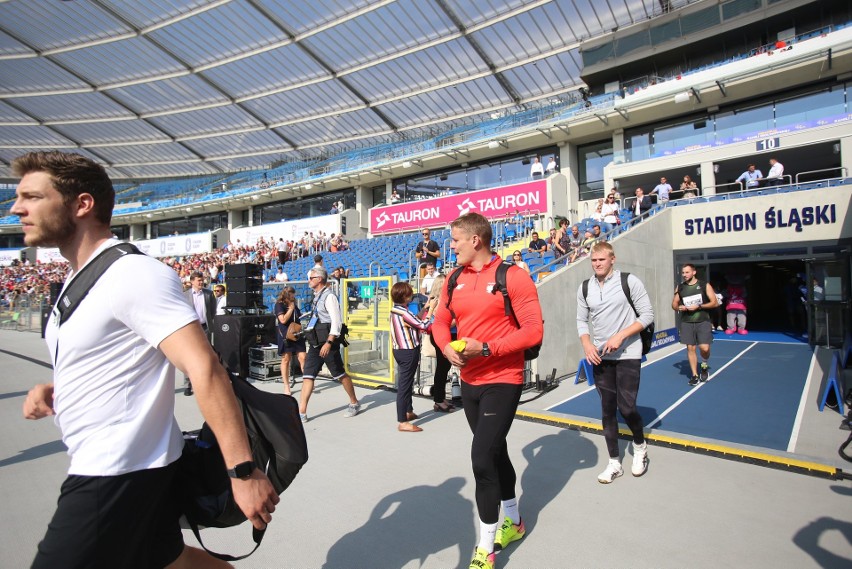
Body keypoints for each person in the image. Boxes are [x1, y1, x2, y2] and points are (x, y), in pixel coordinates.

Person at [13, 151, 277, 569]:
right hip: (122, 464)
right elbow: (109, 358)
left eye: (31, 196)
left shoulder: (133, 274)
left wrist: (243, 474)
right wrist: (59, 388)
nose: (16, 208)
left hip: (116, 471)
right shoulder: (75, 279)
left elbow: (204, 368)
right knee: (172, 562)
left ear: (82, 204)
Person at [432, 212, 543, 569]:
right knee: (496, 453)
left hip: (503, 379)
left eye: (455, 241)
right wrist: (446, 347)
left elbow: (532, 332)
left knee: (481, 458)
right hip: (469, 383)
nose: (451, 247)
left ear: (475, 240)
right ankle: (515, 521)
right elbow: (439, 322)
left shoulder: (513, 276)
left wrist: (488, 349)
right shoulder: (453, 278)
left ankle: (485, 548)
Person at [577, 241, 653, 484]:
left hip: (628, 353)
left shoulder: (629, 281)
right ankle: (614, 463)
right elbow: (581, 321)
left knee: (627, 408)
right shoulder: (585, 287)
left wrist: (621, 335)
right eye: (593, 260)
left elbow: (647, 315)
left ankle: (640, 447)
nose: (597, 264)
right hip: (600, 356)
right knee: (607, 410)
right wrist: (587, 344)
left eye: (601, 259)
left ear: (612, 259)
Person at [299, 266, 360, 422]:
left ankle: (354, 402)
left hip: (328, 344)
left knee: (340, 374)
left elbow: (336, 322)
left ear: (319, 279)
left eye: (311, 278)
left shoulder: (329, 297)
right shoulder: (316, 296)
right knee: (308, 376)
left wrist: (328, 342)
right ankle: (302, 412)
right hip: (315, 344)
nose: (309, 280)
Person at [390, 281, 432, 432]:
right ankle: (402, 421)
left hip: (400, 351)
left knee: (406, 382)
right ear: (405, 296)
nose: (411, 296)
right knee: (404, 386)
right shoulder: (404, 313)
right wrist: (432, 311)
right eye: (409, 294)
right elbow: (423, 326)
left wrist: (425, 309)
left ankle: (408, 411)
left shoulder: (396, 310)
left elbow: (415, 322)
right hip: (408, 351)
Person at [672, 264, 719, 386]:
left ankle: (704, 364)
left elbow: (714, 303)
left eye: (687, 272)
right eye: (683, 273)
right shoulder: (680, 288)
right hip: (687, 322)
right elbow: (674, 304)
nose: (684, 275)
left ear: (694, 272)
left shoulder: (704, 285)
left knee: (704, 348)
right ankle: (694, 375)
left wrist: (699, 306)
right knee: (690, 348)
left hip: (703, 321)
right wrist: (679, 307)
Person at [424, 274, 454, 413]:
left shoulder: (435, 300)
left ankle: (439, 398)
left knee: (443, 368)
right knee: (443, 368)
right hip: (443, 336)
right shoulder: (440, 301)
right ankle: (439, 399)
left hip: (440, 336)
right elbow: (444, 323)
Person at [183, 271, 217, 397]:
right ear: (192, 281)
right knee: (189, 356)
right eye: (198, 280)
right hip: (191, 329)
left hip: (205, 327)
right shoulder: (185, 295)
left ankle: (206, 383)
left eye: (202, 280)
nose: (201, 282)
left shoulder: (208, 294)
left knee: (206, 355)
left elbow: (212, 311)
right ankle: (188, 384)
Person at [274, 286, 306, 397]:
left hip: (297, 334)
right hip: (286, 335)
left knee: (303, 357)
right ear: (287, 295)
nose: (294, 296)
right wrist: (291, 309)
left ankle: (307, 382)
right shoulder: (279, 305)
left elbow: (299, 317)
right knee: (286, 359)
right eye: (292, 294)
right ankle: (286, 385)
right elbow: (282, 320)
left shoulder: (294, 305)